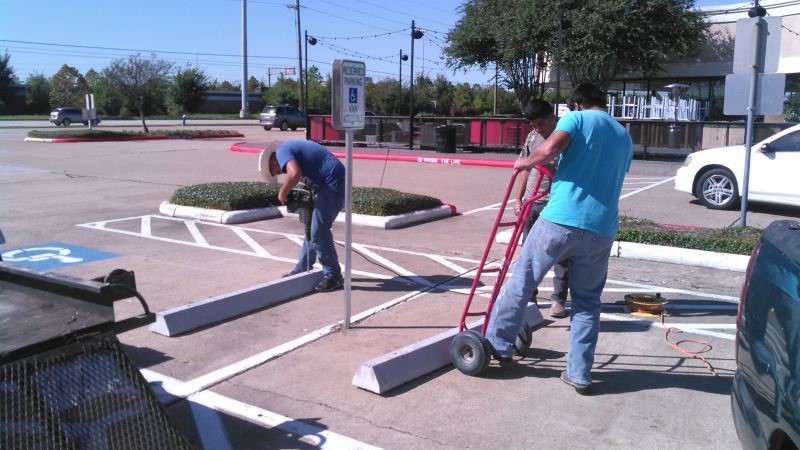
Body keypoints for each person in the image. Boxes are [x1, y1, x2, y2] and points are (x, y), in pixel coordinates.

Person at [486, 83, 633, 395]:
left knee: (522, 280)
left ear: (577, 104)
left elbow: (550, 148)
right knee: (588, 303)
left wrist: (524, 162)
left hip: (562, 220)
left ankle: (496, 344)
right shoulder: (623, 135)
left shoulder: (576, 120)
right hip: (601, 228)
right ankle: (579, 373)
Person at [263, 140, 346, 292]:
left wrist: (283, 191)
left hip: (330, 181)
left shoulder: (282, 151)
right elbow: (304, 173)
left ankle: (333, 276)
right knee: (310, 227)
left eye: (275, 171)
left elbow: (294, 174)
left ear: (272, 161)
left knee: (318, 231)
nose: (279, 173)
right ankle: (302, 268)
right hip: (326, 183)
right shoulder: (290, 151)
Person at [514, 99, 569, 319]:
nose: (538, 129)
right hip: (531, 201)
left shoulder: (564, 137)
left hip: (554, 202)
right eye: (534, 126)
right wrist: (518, 199)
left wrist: (549, 165)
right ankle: (530, 297)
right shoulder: (532, 137)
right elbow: (525, 167)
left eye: (541, 125)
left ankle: (559, 299)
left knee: (561, 253)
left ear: (551, 117)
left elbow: (568, 173)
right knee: (528, 251)